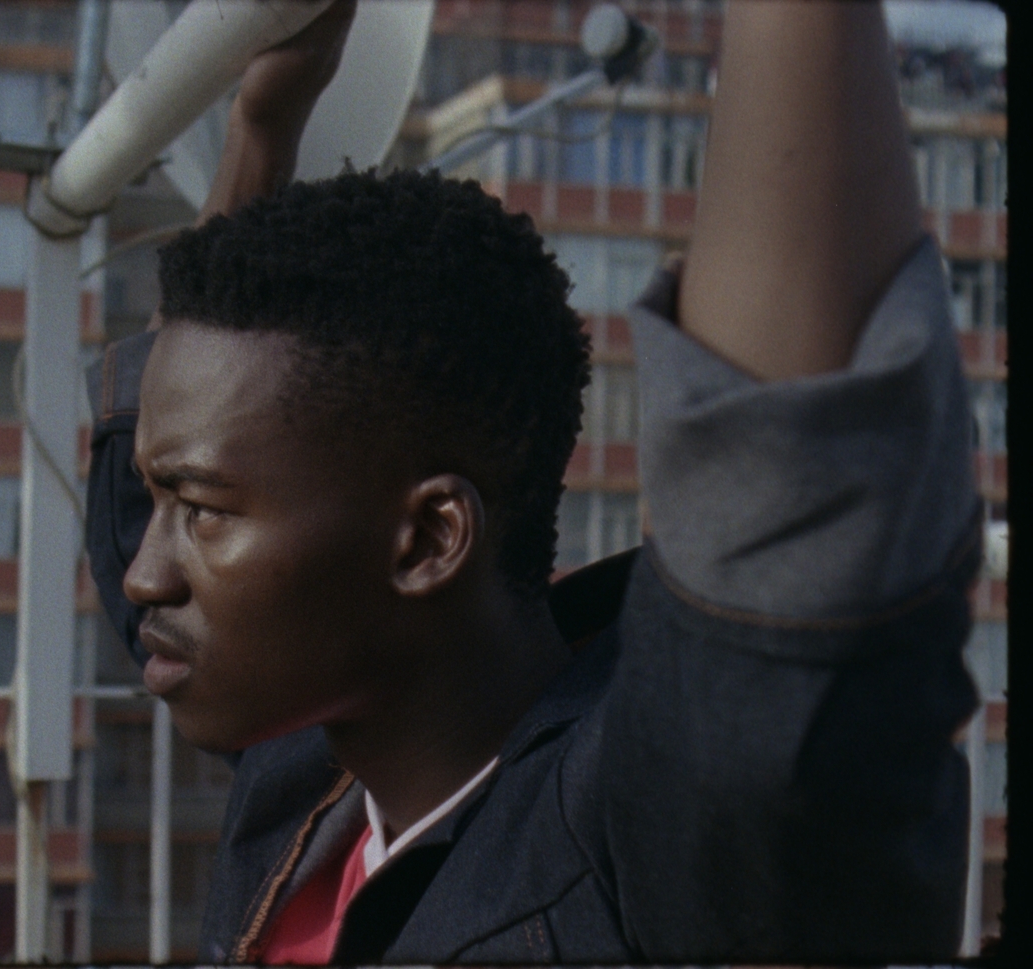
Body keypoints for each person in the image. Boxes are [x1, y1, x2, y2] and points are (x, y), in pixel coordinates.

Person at [84, 1, 981, 962]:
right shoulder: (310, 771)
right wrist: (264, 125)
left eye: (203, 513)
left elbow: (789, 513)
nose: (145, 572)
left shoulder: (643, 846)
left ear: (428, 539)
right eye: (162, 504)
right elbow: (154, 487)